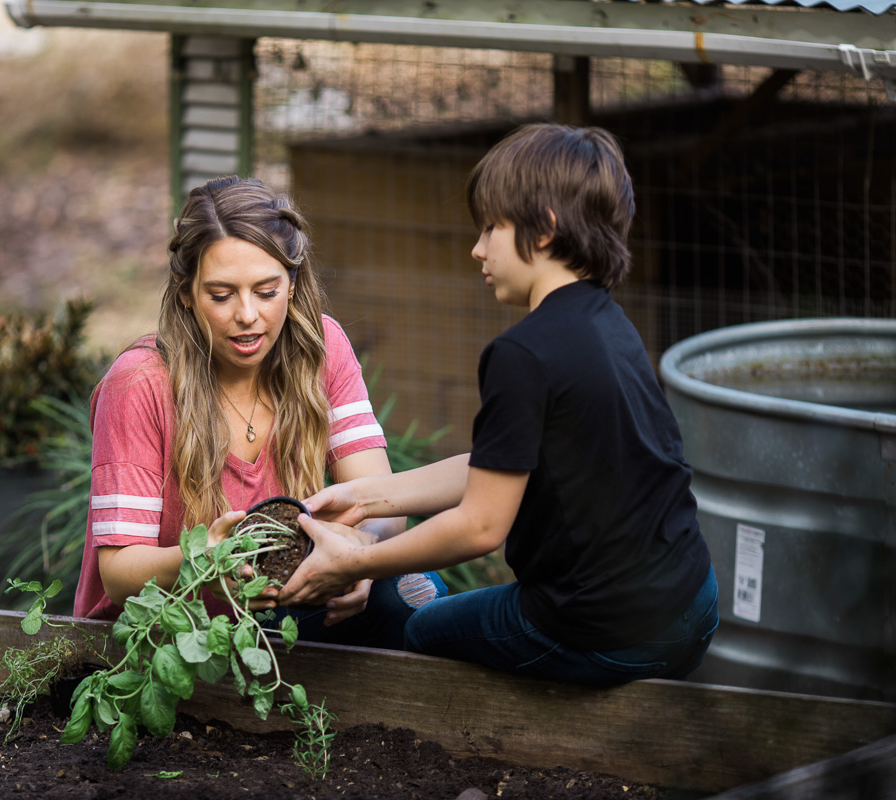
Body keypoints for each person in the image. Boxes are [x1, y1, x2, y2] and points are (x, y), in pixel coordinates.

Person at [280, 124, 718, 685]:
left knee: (420, 627)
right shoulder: (608, 324)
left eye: (491, 227)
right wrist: (364, 498)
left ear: (544, 230)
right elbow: (497, 467)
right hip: (692, 603)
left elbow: (480, 526)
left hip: (608, 630)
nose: (478, 248)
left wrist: (355, 561)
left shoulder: (522, 354)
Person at [73, 176, 445, 649]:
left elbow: (380, 503)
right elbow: (121, 575)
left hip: (276, 614)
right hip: (165, 637)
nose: (247, 315)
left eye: (266, 291)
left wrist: (361, 553)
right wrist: (204, 562)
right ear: (185, 292)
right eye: (221, 295)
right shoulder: (141, 382)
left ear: (292, 284)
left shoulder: (322, 349)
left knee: (415, 589)